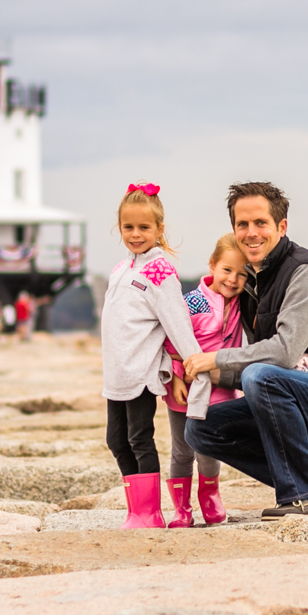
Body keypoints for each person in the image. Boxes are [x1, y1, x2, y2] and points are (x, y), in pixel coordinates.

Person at [183, 181, 308, 516]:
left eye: (260, 223)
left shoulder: (306, 272)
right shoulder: (253, 282)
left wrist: (215, 359)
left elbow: (282, 355)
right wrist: (198, 372)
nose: (251, 233)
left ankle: (306, 494)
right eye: (242, 224)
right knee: (201, 427)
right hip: (304, 401)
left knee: (263, 375)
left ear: (281, 226)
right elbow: (258, 370)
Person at [102, 183, 206, 528]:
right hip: (116, 374)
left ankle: (150, 513)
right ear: (120, 228)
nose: (135, 234)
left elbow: (177, 324)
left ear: (159, 230)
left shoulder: (159, 272)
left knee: (139, 439)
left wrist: (194, 364)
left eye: (144, 227)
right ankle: (136, 508)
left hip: (143, 372)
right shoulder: (121, 269)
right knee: (115, 440)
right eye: (128, 227)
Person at [159, 234, 247, 527]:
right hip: (185, 386)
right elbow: (172, 337)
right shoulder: (193, 302)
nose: (233, 280)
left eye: (242, 274)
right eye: (226, 270)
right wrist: (175, 376)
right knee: (182, 450)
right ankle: (181, 508)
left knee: (208, 448)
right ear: (212, 266)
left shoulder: (243, 304)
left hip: (219, 388)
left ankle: (210, 495)